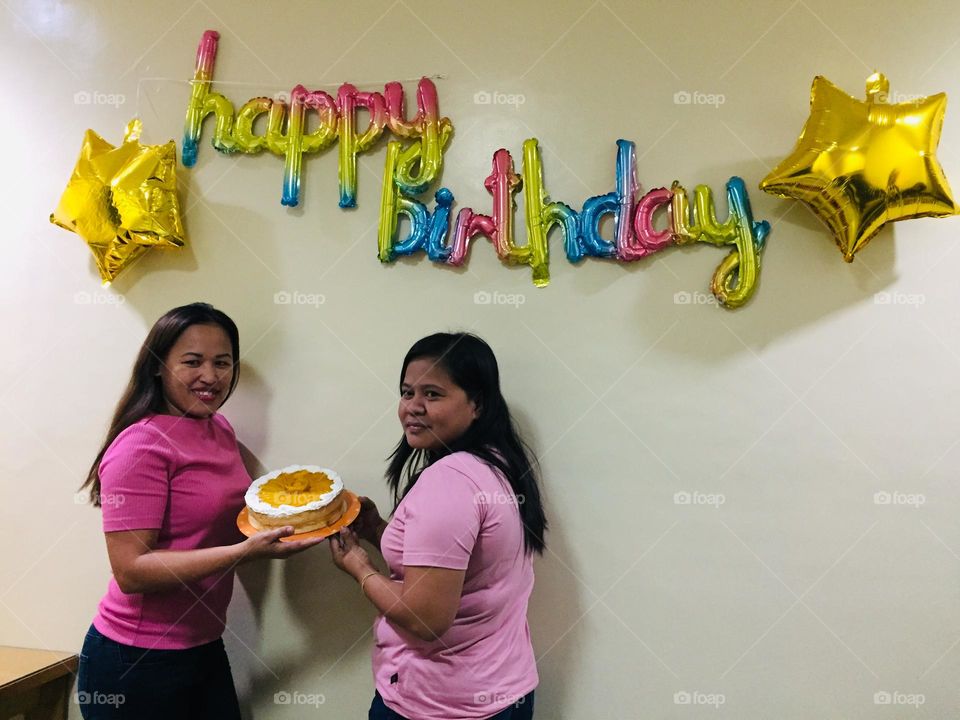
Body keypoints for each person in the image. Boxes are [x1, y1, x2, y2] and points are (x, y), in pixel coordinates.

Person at [76, 302, 324, 719]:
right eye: (192, 362)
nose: (210, 376)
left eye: (222, 362)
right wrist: (244, 553)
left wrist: (308, 514)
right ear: (157, 366)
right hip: (136, 659)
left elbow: (229, 515)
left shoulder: (218, 427)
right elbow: (131, 571)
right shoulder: (141, 446)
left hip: (203, 644)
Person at [330, 332, 547, 720]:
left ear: (477, 404)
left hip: (441, 704)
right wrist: (378, 528)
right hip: (503, 690)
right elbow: (457, 568)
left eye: (432, 394)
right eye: (407, 392)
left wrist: (358, 567)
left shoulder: (449, 481)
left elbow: (424, 618)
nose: (413, 407)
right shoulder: (499, 463)